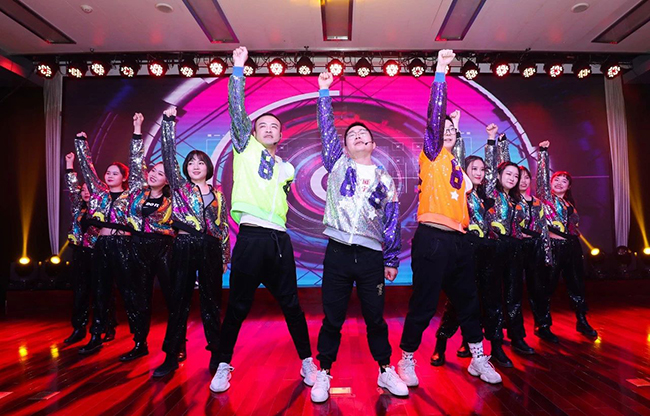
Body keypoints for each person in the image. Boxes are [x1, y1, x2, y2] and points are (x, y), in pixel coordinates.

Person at [210, 46, 316, 393]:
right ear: (252, 133)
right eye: (263, 126)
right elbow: (237, 110)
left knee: (292, 305)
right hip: (252, 237)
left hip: (279, 240)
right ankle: (223, 365)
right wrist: (238, 69)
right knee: (238, 306)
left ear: (281, 135)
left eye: (274, 127)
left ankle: (307, 362)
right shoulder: (245, 149)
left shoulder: (287, 167)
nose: (269, 130)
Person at [397, 49, 501, 387]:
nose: (446, 132)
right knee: (425, 303)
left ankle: (478, 358)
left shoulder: (456, 164)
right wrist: (441, 72)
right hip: (433, 238)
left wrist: (456, 128)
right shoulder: (431, 157)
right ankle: (406, 359)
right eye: (440, 129)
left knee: (468, 302)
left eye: (452, 131)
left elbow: (477, 180)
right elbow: (435, 119)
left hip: (460, 241)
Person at [309, 71, 408, 403]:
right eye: (351, 135)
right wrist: (324, 92)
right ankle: (324, 371)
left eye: (363, 133)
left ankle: (385, 369)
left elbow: (391, 222)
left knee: (375, 318)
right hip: (338, 252)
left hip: (370, 257)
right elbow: (327, 131)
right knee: (332, 318)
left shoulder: (386, 179)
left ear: (373, 144)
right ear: (345, 147)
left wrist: (391, 259)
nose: (358, 136)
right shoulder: (337, 164)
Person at [153, 108, 231, 377]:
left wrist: (224, 257)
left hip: (210, 249)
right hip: (184, 246)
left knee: (212, 303)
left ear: (208, 167)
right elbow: (167, 154)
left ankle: (217, 354)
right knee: (178, 301)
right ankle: (171, 355)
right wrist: (168, 122)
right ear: (184, 169)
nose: (195, 166)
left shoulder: (218, 195)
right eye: (190, 163)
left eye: (200, 162)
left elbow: (223, 228)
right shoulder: (179, 188)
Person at [75, 132, 135, 356]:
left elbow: (137, 163)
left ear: (124, 177)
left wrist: (137, 131)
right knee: (100, 291)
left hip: (123, 245)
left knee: (129, 292)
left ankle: (139, 340)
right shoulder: (99, 195)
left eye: (114, 173)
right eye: (107, 173)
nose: (109, 176)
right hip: (102, 244)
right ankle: (96, 336)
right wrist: (82, 143)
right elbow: (88, 170)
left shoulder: (131, 195)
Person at [122, 113, 175, 361]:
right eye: (152, 170)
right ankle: (139, 343)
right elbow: (135, 162)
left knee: (172, 297)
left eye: (160, 173)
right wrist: (137, 129)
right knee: (139, 297)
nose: (153, 174)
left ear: (168, 180)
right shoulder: (137, 192)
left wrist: (168, 125)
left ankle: (176, 344)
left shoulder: (173, 200)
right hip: (137, 246)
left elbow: (170, 158)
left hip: (163, 247)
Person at [535, 141, 598, 341]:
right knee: (547, 286)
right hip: (553, 247)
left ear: (569, 186)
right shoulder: (546, 198)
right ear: (550, 182)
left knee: (577, 284)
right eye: (557, 179)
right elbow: (542, 176)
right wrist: (543, 152)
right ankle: (543, 325)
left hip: (572, 247)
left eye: (565, 181)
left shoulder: (569, 203)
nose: (560, 183)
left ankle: (582, 320)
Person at [63, 152, 116, 345]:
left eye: (89, 190)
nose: (86, 193)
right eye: (83, 190)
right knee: (80, 292)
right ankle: (79, 328)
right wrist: (69, 165)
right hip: (80, 253)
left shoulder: (103, 207)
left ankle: (107, 326)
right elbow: (72, 188)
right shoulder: (78, 208)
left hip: (99, 252)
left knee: (101, 292)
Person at [511, 163, 553, 345]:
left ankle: (543, 326)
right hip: (517, 247)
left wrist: (546, 252)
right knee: (513, 290)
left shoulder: (537, 202)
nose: (523, 181)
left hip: (536, 247)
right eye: (519, 177)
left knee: (538, 288)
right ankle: (515, 332)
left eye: (527, 177)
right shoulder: (510, 201)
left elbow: (543, 228)